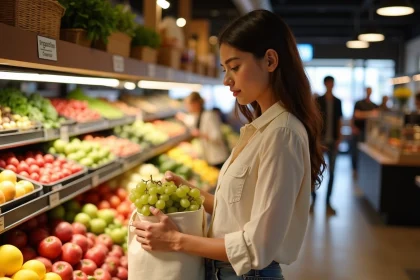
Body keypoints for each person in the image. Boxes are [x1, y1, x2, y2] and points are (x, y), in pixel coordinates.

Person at [133, 10, 326, 280]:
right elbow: (235, 211)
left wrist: (176, 240)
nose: (226, 80)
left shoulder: (282, 134)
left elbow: (256, 245)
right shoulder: (260, 129)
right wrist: (191, 192)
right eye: (225, 69)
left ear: (270, 60)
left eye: (235, 67)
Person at [311, 76, 342, 215]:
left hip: (333, 141)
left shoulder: (338, 102)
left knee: (333, 173)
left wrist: (339, 138)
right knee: (314, 171)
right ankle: (313, 199)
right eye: (328, 83)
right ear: (325, 84)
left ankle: (328, 202)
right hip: (320, 142)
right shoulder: (318, 101)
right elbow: (315, 121)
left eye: (332, 83)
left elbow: (339, 120)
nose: (330, 85)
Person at [176, 92, 230, 169]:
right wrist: (183, 117)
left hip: (218, 158)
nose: (187, 108)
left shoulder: (210, 115)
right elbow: (191, 120)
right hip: (209, 157)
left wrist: (201, 134)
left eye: (188, 105)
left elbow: (217, 137)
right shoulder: (198, 115)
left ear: (196, 104)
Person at [351, 87, 379, 177]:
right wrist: (370, 114)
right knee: (356, 151)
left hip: (369, 133)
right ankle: (355, 169)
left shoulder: (374, 105)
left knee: (367, 153)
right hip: (359, 131)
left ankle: (363, 170)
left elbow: (377, 116)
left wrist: (363, 114)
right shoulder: (359, 103)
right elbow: (356, 115)